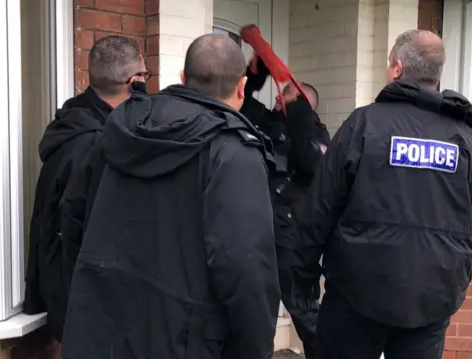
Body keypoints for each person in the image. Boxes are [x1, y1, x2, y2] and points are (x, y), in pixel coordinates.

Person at [60, 34, 280, 359]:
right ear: (242, 87)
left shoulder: (121, 126)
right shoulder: (234, 153)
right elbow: (245, 268)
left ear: (182, 78)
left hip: (99, 331)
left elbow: (74, 217)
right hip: (181, 341)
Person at [290, 29, 472, 359]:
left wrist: (302, 287)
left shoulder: (363, 126)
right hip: (430, 300)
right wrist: (450, 265)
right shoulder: (466, 141)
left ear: (398, 69)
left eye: (389, 64)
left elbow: (318, 212)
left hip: (355, 298)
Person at [23, 35, 149, 341]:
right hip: (88, 308)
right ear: (133, 81)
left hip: (69, 295)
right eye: (145, 77)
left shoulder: (73, 122)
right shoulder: (95, 145)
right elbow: (90, 234)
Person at [239, 56, 329, 359]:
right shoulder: (265, 121)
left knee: (305, 314)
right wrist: (256, 73)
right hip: (256, 234)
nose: (280, 94)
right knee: (253, 315)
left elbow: (312, 167)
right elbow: (238, 102)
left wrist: (299, 115)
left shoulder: (316, 134)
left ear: (306, 103)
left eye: (288, 92)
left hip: (293, 241)